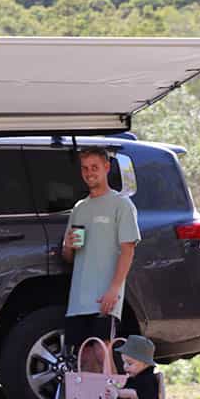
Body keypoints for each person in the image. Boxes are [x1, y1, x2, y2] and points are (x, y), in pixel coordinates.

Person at [61, 146, 141, 371]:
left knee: (101, 350)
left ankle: (114, 395)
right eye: (85, 168)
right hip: (78, 299)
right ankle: (93, 397)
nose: (89, 173)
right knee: (85, 356)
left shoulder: (121, 204)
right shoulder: (79, 208)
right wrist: (68, 246)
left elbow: (128, 250)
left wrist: (114, 290)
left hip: (105, 296)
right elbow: (68, 257)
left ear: (106, 167)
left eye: (94, 167)